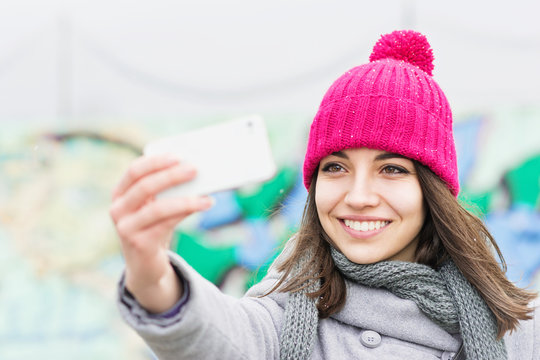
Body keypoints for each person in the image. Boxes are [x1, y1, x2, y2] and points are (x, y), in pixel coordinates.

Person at [110, 30, 539, 360]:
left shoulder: (514, 330)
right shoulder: (282, 319)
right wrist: (151, 273)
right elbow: (213, 334)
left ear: (433, 192)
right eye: (335, 167)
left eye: (391, 169)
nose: (358, 195)